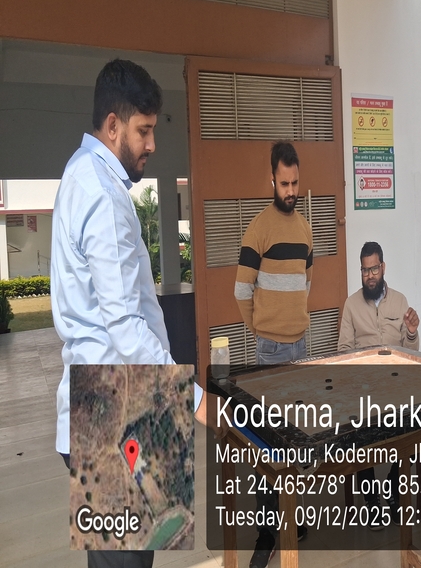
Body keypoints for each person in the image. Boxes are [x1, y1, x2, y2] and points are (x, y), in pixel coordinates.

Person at [52, 59, 224, 568]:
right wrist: (194, 398)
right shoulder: (103, 196)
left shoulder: (80, 174)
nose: (152, 143)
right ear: (113, 125)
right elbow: (125, 326)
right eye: (143, 131)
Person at [234, 140, 312, 568]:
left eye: (295, 183)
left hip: (301, 346)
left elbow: (307, 282)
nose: (291, 191)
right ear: (272, 180)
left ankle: (291, 518)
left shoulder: (305, 229)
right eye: (284, 184)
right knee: (267, 443)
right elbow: (241, 291)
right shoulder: (258, 229)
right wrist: (261, 329)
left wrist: (293, 322)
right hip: (269, 350)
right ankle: (267, 531)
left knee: (296, 437)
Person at [337, 241, 420, 528]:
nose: (369, 276)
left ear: (383, 267)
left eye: (374, 269)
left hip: (397, 383)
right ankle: (371, 501)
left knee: (419, 424)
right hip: (364, 385)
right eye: (364, 270)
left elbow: (411, 350)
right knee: (360, 435)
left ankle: (394, 487)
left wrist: (412, 332)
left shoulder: (400, 300)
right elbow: (343, 350)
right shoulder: (351, 305)